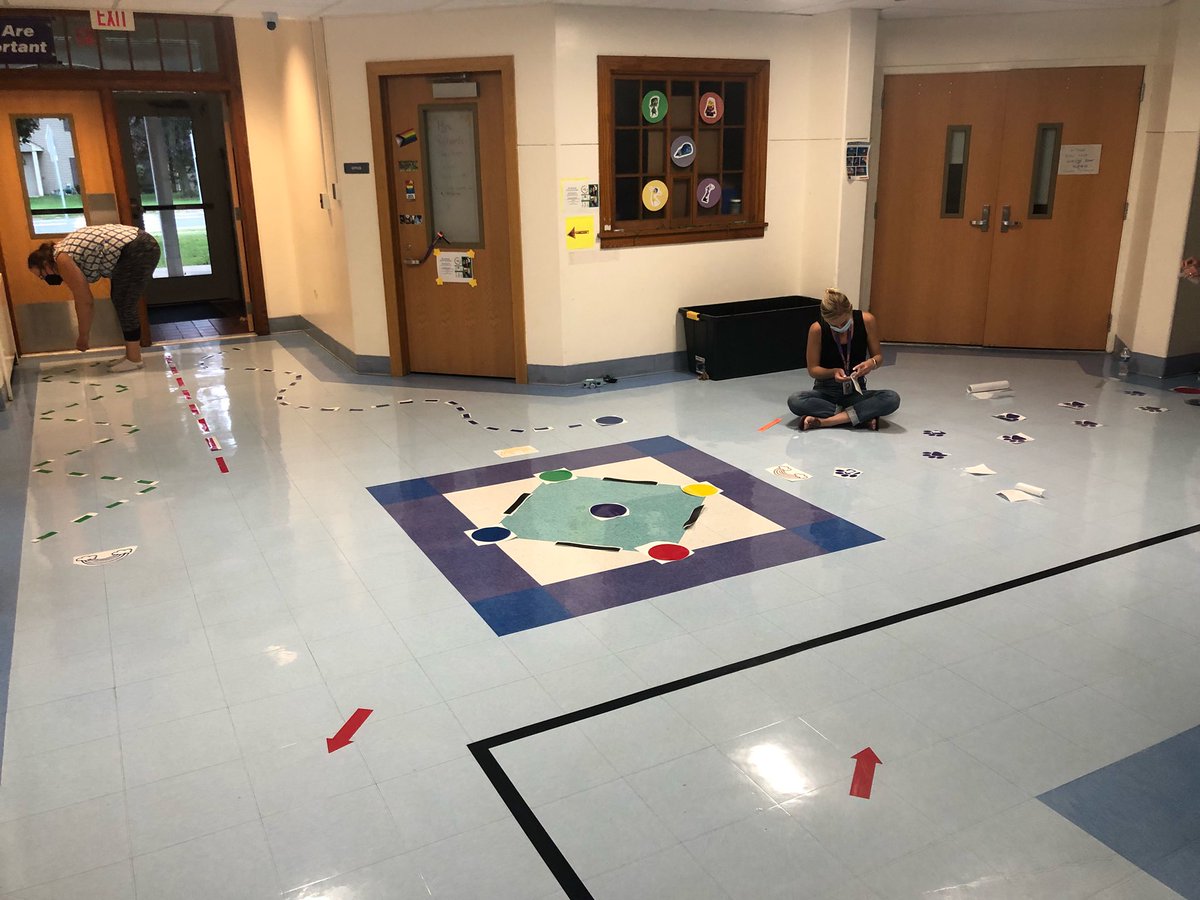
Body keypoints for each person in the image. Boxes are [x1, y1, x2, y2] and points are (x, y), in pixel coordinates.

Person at [27, 224, 160, 373]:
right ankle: (131, 355)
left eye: (41, 275)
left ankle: (134, 359)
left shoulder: (62, 259)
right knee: (121, 299)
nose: (44, 279)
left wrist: (83, 337)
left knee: (124, 302)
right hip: (138, 244)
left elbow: (84, 301)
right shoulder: (61, 251)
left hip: (138, 248)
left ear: (46, 265)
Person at [787, 289, 900, 431]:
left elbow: (878, 357)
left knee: (891, 398)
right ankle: (859, 417)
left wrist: (871, 363)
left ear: (851, 311)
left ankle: (826, 422)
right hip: (826, 392)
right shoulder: (817, 329)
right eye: (834, 325)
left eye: (844, 322)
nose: (840, 328)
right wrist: (833, 372)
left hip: (856, 391)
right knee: (795, 400)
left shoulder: (867, 321)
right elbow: (813, 370)